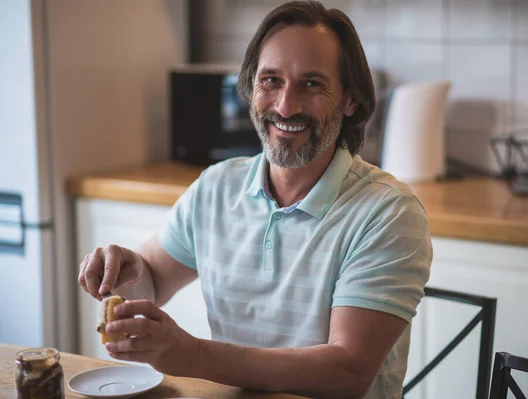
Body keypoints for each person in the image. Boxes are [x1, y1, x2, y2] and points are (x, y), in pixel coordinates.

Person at [78, 1, 432, 398]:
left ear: (350, 100)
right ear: (250, 87)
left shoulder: (387, 213)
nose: (285, 105)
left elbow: (347, 371)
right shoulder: (216, 188)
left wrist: (193, 355)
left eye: (311, 84)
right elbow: (154, 280)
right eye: (271, 80)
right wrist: (127, 269)